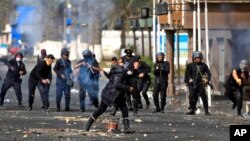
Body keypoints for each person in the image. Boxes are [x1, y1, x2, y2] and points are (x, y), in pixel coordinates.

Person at [85, 63, 135, 134]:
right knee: (101, 110)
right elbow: (117, 84)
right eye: (130, 70)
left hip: (118, 95)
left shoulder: (122, 73)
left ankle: (127, 128)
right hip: (110, 94)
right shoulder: (119, 74)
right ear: (126, 69)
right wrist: (128, 88)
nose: (131, 72)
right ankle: (88, 123)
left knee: (124, 109)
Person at [186, 51, 211, 116]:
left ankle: (206, 111)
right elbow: (188, 73)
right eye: (196, 58)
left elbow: (209, 73)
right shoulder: (190, 65)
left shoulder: (204, 65)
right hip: (192, 84)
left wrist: (207, 80)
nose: (198, 59)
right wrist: (189, 79)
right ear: (193, 58)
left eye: (199, 58)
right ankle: (192, 110)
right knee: (192, 96)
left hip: (200, 84)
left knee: (203, 97)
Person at [121, 46, 137, 111]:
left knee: (134, 92)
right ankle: (129, 106)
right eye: (127, 52)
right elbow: (120, 65)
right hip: (125, 77)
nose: (128, 53)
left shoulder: (134, 58)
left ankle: (135, 107)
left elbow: (136, 66)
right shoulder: (122, 58)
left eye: (129, 52)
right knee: (126, 92)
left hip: (133, 77)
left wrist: (132, 70)